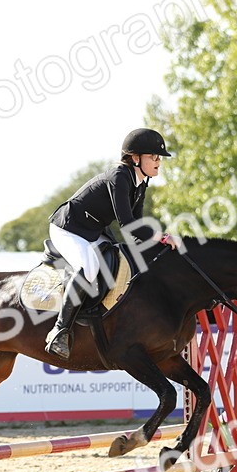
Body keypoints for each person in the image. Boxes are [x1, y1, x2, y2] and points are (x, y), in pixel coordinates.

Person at [44, 127, 174, 358]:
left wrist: (157, 249)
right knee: (90, 268)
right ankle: (59, 331)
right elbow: (126, 223)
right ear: (135, 158)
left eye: (159, 158)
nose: (158, 162)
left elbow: (137, 225)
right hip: (68, 229)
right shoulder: (120, 176)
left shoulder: (141, 182)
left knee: (120, 259)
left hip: (93, 230)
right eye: (153, 157)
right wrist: (160, 236)